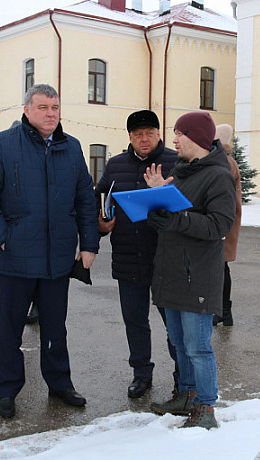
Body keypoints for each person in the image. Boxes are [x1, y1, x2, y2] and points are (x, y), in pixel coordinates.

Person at [0, 83, 99, 419]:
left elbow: (86, 199)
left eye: (55, 108)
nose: (50, 114)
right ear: (27, 110)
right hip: (16, 255)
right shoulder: (3, 144)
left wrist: (88, 245)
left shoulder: (71, 148)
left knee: (55, 327)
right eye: (43, 107)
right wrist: (1, 235)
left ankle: (60, 384)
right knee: (10, 328)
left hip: (58, 258)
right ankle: (8, 389)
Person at [145, 111, 236, 429]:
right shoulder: (182, 170)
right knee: (179, 341)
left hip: (197, 274)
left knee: (198, 346)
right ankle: (186, 394)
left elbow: (220, 224)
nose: (173, 140)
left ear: (195, 137)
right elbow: (176, 210)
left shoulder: (218, 176)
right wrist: (156, 197)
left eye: (178, 134)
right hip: (171, 271)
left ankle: (206, 409)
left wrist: (175, 218)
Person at [95, 110, 179, 398]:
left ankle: (183, 376)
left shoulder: (175, 162)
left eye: (149, 133)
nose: (144, 139)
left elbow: (188, 205)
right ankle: (141, 373)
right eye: (137, 134)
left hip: (167, 258)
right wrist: (101, 222)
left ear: (159, 134)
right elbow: (102, 199)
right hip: (128, 255)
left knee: (174, 323)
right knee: (135, 321)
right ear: (129, 137)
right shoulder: (116, 165)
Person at [214, 123, 243, 326]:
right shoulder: (228, 161)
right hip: (229, 217)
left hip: (224, 219)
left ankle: (223, 311)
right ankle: (225, 311)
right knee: (221, 265)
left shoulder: (224, 162)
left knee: (220, 266)